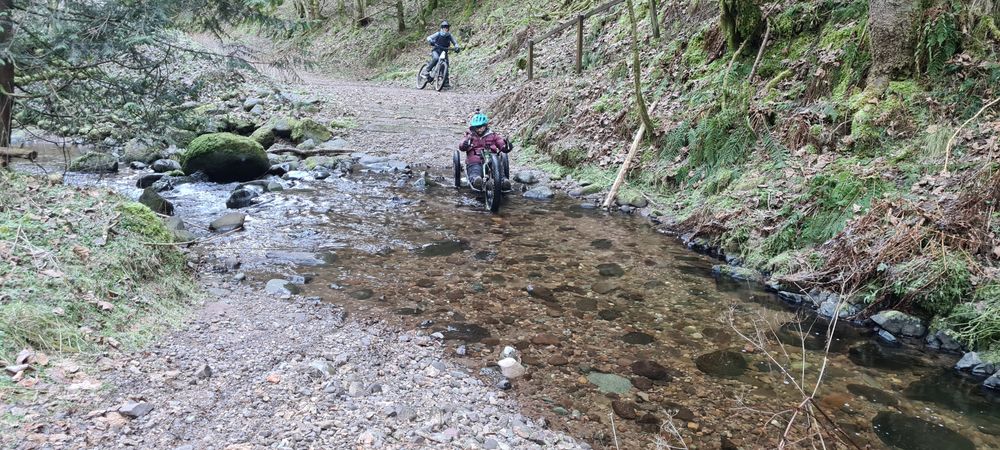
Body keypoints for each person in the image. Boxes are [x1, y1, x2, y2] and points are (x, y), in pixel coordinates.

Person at [459, 112, 512, 191]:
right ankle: (476, 180)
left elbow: (500, 142)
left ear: (486, 126)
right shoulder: (469, 136)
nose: (479, 129)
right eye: (477, 127)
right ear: (473, 127)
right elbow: (461, 145)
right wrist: (465, 144)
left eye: (481, 127)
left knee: (497, 169)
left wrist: (506, 146)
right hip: (475, 159)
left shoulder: (493, 135)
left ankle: (503, 181)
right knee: (475, 170)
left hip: (491, 157)